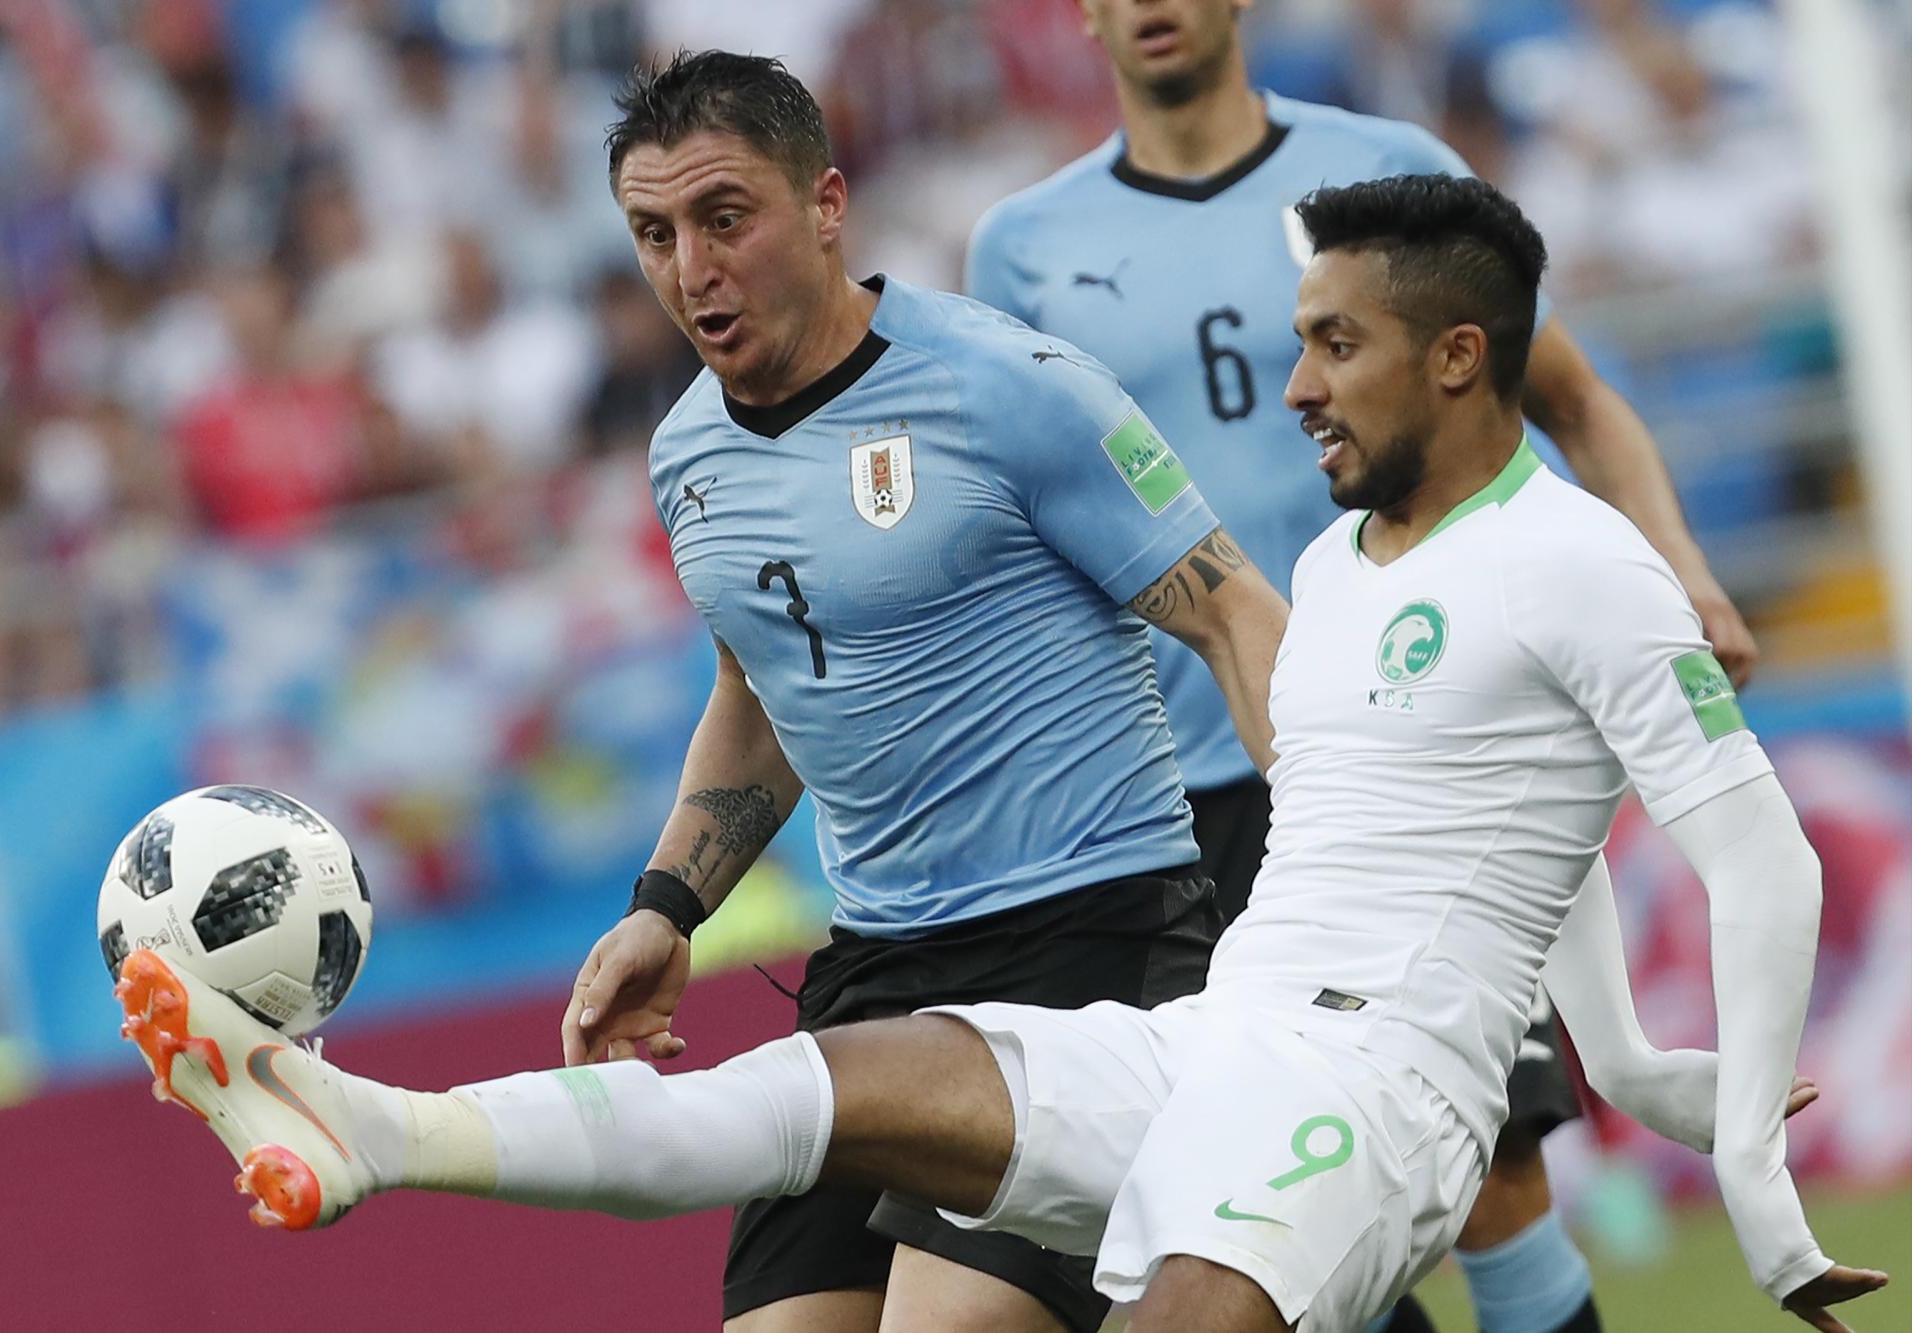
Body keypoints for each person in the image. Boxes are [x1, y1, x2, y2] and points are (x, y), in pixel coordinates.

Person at [111, 171, 1886, 1333]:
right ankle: (373, 1125)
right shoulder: (1351, 566)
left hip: (1376, 1094)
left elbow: (1763, 854)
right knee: (819, 1091)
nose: (1292, 391)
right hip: (1216, 1037)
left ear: (1460, 355)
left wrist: (1737, 1143)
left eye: (1334, 350)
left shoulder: (1585, 561)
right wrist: (1635, 1048)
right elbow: (1517, 832)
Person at [963, 5, 1761, 1330]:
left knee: (1491, 1171)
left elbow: (1570, 395)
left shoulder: (1381, 167)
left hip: (1421, 736)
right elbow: (1019, 509)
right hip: (1188, 783)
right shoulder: (1024, 247)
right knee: (1248, 1192)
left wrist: (1680, 562)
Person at [596, 49, 1286, 1333]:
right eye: (654, 232)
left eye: (722, 217)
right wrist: (666, 907)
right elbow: (761, 697)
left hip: (1089, 943)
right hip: (872, 970)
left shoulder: (1009, 388)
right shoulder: (686, 452)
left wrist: (1328, 897)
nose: (689, 268)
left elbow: (1238, 616)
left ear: (823, 204)